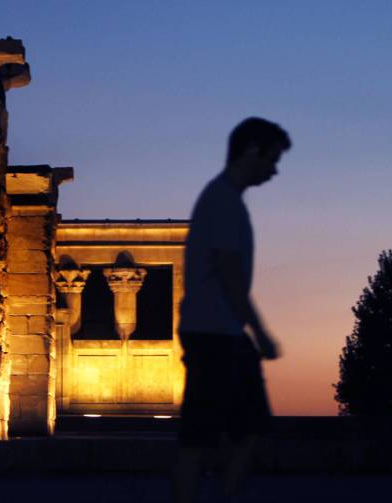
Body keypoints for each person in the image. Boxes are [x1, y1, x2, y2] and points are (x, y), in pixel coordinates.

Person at [173, 117, 291, 502]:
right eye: (272, 159)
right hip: (214, 334)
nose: (274, 171)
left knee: (243, 429)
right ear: (252, 150)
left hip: (221, 333)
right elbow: (227, 274)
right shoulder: (222, 201)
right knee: (203, 437)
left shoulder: (225, 200)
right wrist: (260, 332)